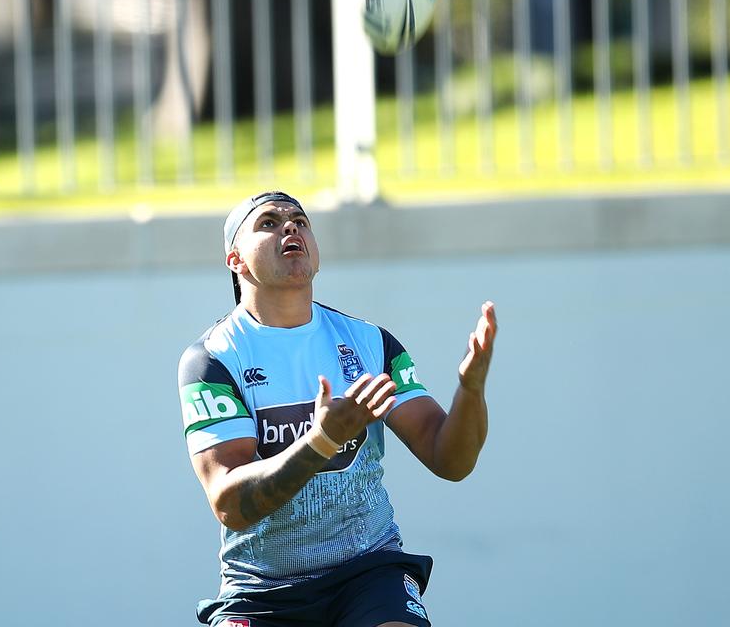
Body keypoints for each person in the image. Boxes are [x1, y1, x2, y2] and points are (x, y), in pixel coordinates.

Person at [178, 190, 497, 627]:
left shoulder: (369, 342)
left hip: (368, 571)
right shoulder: (212, 359)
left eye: (300, 220)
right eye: (268, 223)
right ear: (235, 259)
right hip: (261, 590)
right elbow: (230, 502)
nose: (290, 227)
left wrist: (470, 388)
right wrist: (322, 441)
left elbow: (451, 459)